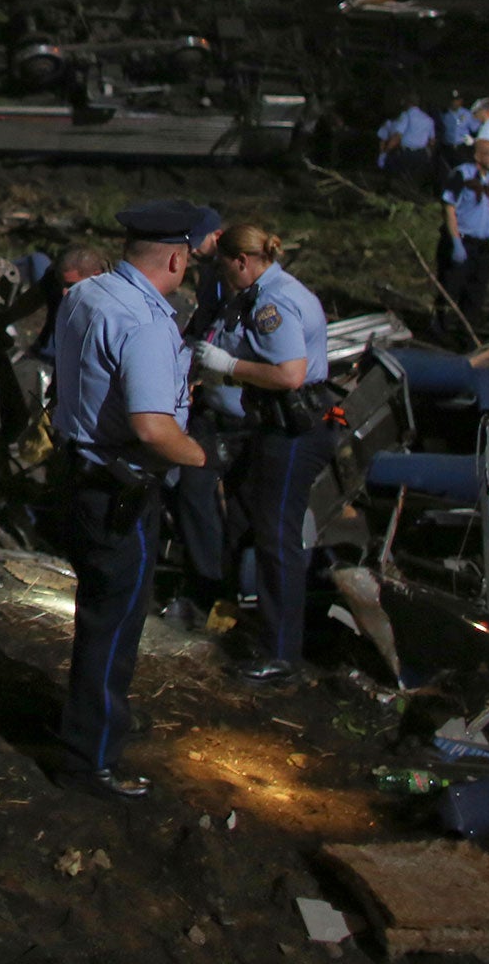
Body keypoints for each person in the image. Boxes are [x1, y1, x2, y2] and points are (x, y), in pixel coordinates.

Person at [50, 200, 205, 798]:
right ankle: (91, 758)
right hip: (121, 490)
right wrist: (200, 456)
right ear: (176, 257)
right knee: (113, 629)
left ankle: (83, 730)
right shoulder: (144, 323)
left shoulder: (87, 295)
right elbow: (151, 426)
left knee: (96, 614)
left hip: (77, 471)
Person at [190, 224, 331, 683]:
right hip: (272, 424)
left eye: (223, 268)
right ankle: (260, 621)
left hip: (291, 428)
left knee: (276, 537)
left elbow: (290, 374)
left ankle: (282, 652)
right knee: (248, 521)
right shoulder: (271, 289)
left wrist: (229, 366)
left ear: (241, 262)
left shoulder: (272, 303)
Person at [168, 206, 230, 621]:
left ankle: (210, 584)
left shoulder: (236, 282)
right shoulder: (212, 275)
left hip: (234, 409)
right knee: (192, 494)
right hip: (212, 398)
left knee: (198, 492)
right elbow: (201, 325)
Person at [436, 138, 489, 340]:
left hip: (483, 248)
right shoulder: (461, 174)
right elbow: (449, 208)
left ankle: (466, 335)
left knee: (476, 294)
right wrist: (456, 242)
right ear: (477, 155)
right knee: (451, 289)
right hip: (463, 243)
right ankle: (441, 331)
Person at [375, 93, 437, 191]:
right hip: (421, 155)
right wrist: (429, 154)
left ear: (408, 103)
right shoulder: (428, 119)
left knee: (394, 177)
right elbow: (432, 141)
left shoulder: (406, 115)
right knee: (416, 182)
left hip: (406, 154)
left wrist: (385, 152)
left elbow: (397, 137)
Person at [440, 89, 476, 163]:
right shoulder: (444, 114)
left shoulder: (467, 114)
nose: (454, 103)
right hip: (448, 147)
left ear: (461, 101)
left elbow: (474, 129)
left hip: (462, 148)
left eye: (457, 100)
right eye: (452, 100)